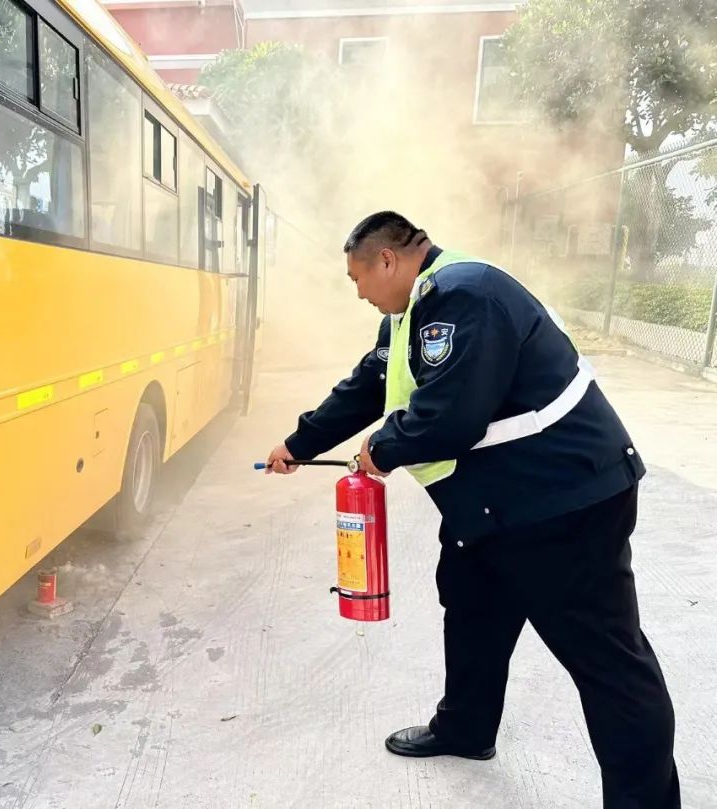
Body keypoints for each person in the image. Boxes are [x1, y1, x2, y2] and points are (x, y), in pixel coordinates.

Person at [265, 211, 679, 808]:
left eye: (357, 277)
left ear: (388, 261)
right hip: (493, 503)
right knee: (472, 609)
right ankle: (466, 727)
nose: (356, 292)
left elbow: (452, 417)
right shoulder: (412, 311)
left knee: (609, 662)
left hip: (564, 501)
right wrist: (301, 443)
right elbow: (372, 381)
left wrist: (382, 447)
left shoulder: (466, 296)